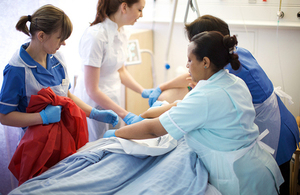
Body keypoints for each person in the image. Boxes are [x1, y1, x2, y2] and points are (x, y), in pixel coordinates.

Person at [103, 31, 284, 195]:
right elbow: (192, 107)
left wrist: (117, 133)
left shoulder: (206, 96)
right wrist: (162, 108)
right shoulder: (233, 81)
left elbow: (154, 130)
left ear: (205, 62)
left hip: (240, 179)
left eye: (190, 60)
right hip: (257, 166)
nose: (187, 65)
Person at [146, 15, 299, 194]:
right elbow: (192, 77)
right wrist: (160, 87)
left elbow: (193, 98)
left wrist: (156, 109)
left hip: (274, 133)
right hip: (282, 119)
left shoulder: (229, 71)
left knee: (278, 185)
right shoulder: (234, 54)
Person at [0, 4, 119, 138]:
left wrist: (94, 114)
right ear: (41, 36)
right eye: (59, 38)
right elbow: (4, 116)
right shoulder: (17, 70)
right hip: (37, 144)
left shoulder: (57, 58)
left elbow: (66, 95)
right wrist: (41, 117)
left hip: (64, 138)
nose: (63, 43)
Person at [73, 0, 154, 141]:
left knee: (112, 143)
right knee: (95, 145)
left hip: (113, 99)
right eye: (139, 9)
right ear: (124, 7)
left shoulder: (122, 32)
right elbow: (92, 90)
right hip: (93, 104)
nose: (141, 15)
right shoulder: (96, 36)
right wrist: (125, 114)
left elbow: (120, 71)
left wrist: (143, 91)